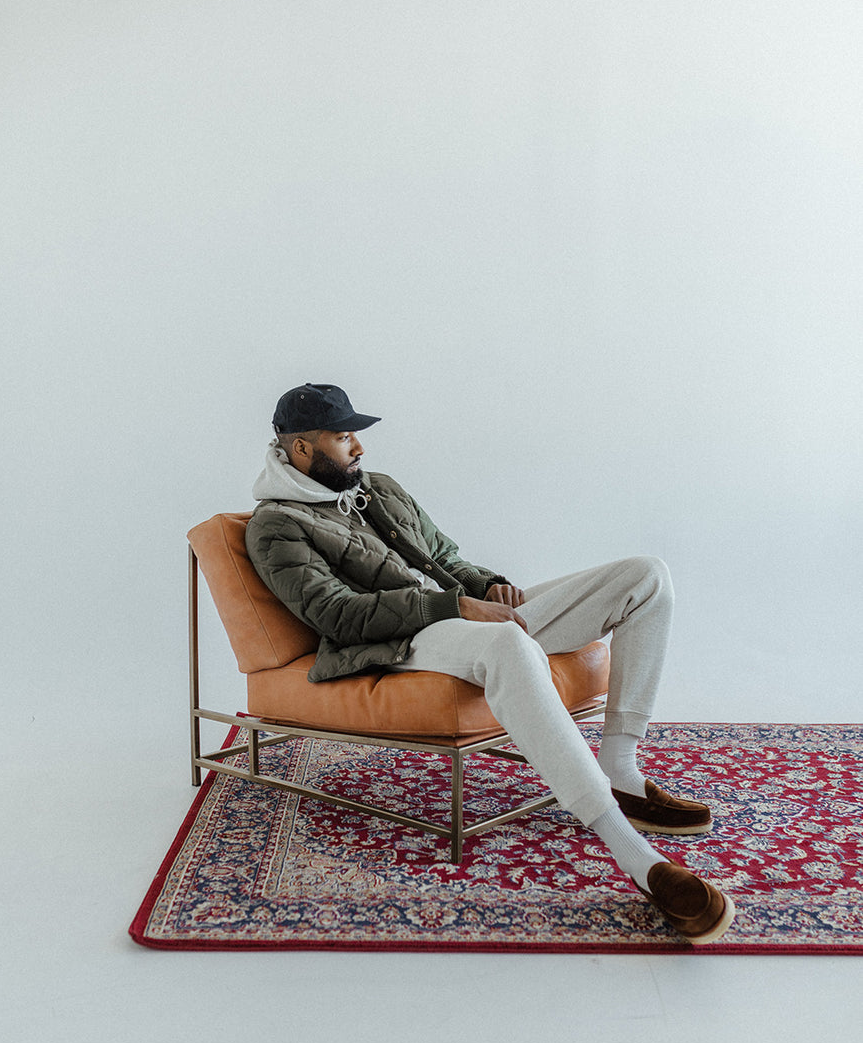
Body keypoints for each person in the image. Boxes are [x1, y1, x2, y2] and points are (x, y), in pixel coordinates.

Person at [245, 382, 736, 944]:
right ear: (302, 449)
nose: (359, 449)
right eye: (344, 436)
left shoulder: (378, 488)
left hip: (466, 615)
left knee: (646, 576)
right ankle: (637, 858)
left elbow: (446, 556)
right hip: (405, 641)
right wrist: (454, 606)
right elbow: (336, 615)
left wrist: (493, 591)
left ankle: (620, 769)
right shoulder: (276, 525)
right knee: (509, 645)